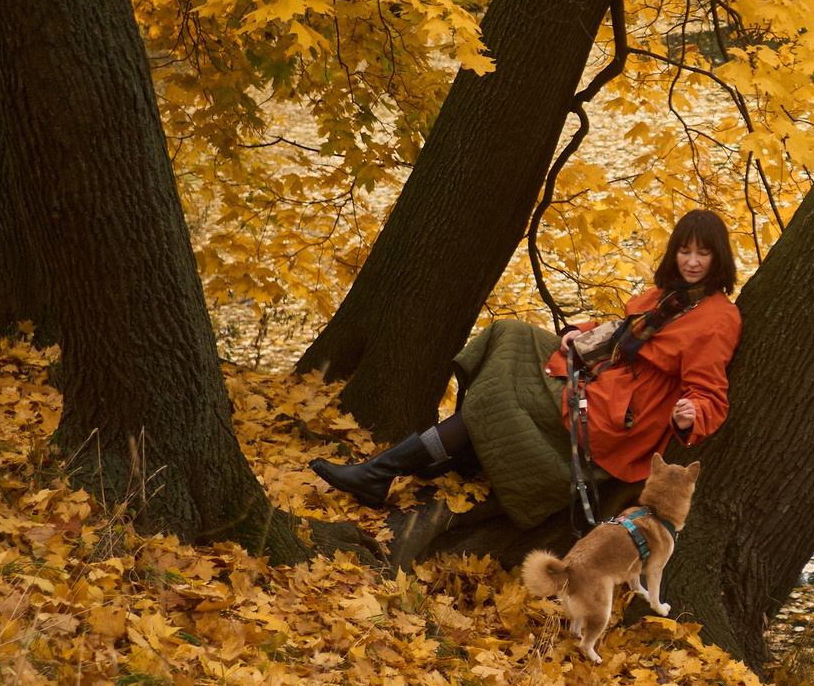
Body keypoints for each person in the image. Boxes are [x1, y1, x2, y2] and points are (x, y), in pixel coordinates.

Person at [309, 211, 741, 534]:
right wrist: (578, 333)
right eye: (685, 250)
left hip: (621, 418)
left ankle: (382, 470)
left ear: (717, 257)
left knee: (497, 396)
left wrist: (691, 416)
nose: (692, 261)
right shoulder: (665, 295)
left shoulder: (719, 317)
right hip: (604, 376)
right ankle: (432, 458)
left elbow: (710, 393)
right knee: (510, 334)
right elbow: (621, 331)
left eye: (703, 253)